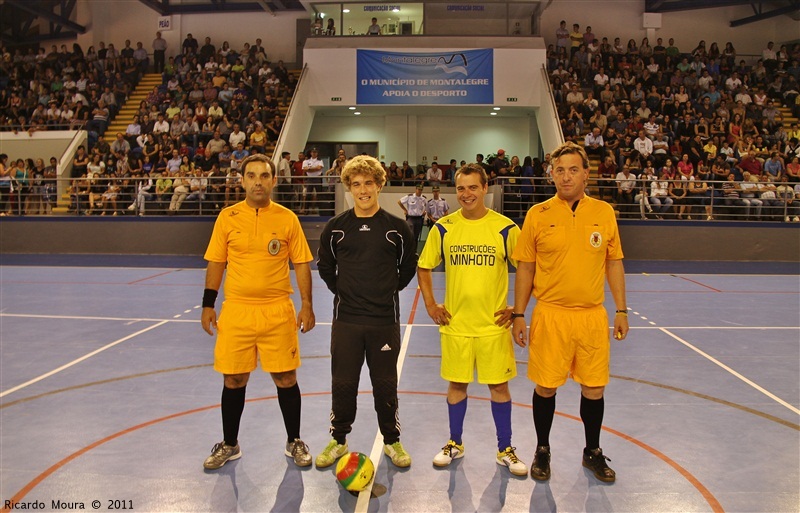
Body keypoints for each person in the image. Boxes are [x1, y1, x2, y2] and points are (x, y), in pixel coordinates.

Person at [510, 141, 628, 483]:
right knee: (545, 387)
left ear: (586, 174)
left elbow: (614, 262)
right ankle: (542, 450)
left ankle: (592, 451)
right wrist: (519, 314)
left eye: (573, 169)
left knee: (594, 388)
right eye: (559, 170)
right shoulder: (538, 214)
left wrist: (621, 308)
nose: (565, 176)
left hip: (592, 315)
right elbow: (526, 268)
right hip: (550, 314)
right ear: (551, 174)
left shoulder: (603, 212)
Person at [200, 154, 316, 470]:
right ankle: (229, 444)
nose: (257, 182)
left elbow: (301, 263)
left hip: (277, 311)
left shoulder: (287, 218)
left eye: (264, 176)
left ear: (273, 180)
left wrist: (307, 304)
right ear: (242, 181)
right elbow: (216, 262)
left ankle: (294, 441)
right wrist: (208, 304)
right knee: (234, 379)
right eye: (251, 176)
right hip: (237, 311)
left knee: (285, 376)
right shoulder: (227, 217)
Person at [417, 164, 528, 477]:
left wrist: (517, 309)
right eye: (461, 188)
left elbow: (527, 270)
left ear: (485, 188)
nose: (466, 194)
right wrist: (430, 304)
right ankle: (455, 442)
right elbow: (423, 267)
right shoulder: (444, 228)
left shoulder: (505, 228)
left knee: (499, 387)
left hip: (493, 327)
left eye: (472, 188)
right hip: (456, 326)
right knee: (457, 385)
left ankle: (504, 447)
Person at [315, 155, 418, 469]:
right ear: (349, 187)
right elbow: (326, 268)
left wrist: (381, 293)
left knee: (385, 383)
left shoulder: (397, 229)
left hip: (384, 322)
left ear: (379, 185)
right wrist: (348, 294)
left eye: (368, 183)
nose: (363, 190)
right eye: (356, 184)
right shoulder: (335, 229)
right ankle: (338, 438)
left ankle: (392, 441)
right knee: (343, 383)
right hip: (346, 321)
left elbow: (407, 269)